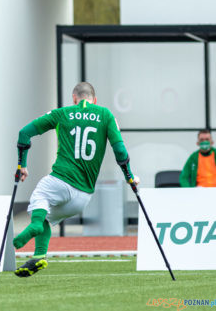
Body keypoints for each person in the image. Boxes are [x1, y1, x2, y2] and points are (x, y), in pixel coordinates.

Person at [13, 82, 138, 277]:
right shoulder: (106, 115)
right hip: (83, 198)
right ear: (94, 100)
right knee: (46, 215)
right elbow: (120, 151)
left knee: (40, 196)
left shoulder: (61, 113)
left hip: (61, 180)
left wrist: (22, 165)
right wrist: (129, 177)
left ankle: (34, 225)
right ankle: (38, 257)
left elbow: (24, 134)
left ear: (74, 98)